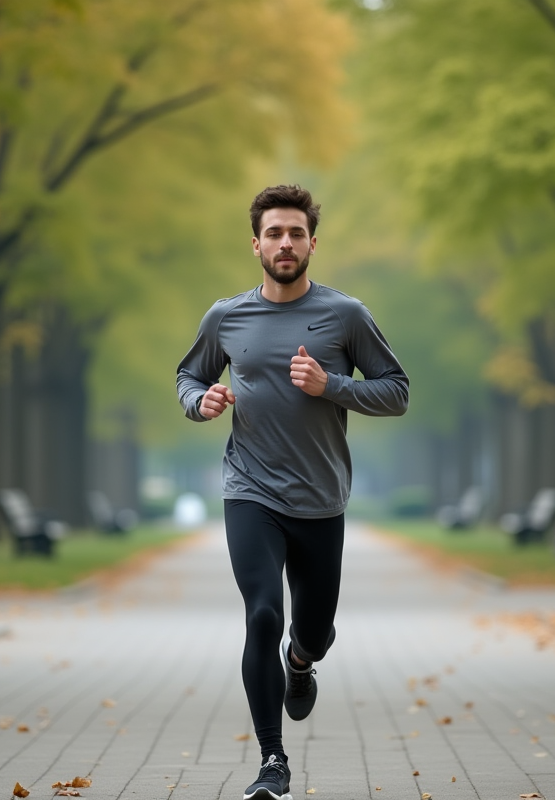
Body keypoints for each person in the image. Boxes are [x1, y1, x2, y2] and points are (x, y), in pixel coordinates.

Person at [176, 185, 410, 800]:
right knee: (261, 613)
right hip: (249, 490)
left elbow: (397, 390)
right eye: (274, 233)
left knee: (312, 631)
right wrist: (201, 403)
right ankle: (272, 760)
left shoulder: (346, 315)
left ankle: (301, 663)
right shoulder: (226, 317)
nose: (285, 243)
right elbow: (188, 376)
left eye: (296, 233)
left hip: (320, 500)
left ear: (312, 243)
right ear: (256, 244)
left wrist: (331, 384)